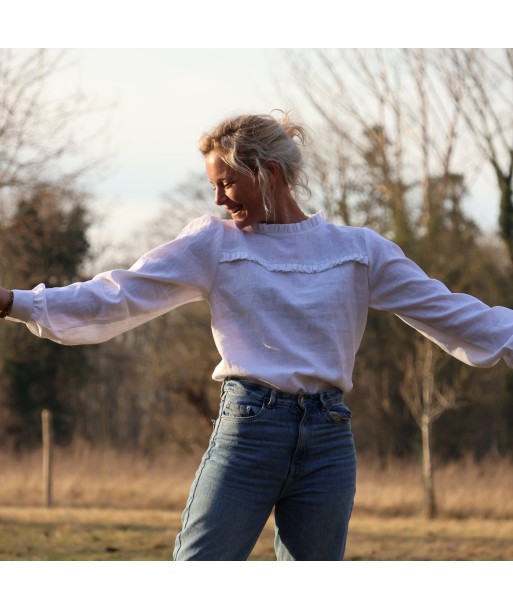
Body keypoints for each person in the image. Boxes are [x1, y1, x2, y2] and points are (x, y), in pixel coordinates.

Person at [2, 110, 513, 561]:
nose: (220, 198)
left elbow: (451, 313)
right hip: (248, 432)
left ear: (268, 173)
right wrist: (14, 301)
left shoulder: (360, 250)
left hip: (329, 439)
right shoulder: (212, 244)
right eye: (213, 187)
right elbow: (119, 293)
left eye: (226, 182)